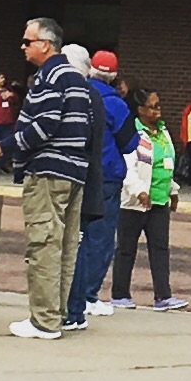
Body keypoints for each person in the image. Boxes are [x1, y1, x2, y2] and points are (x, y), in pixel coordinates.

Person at [8, 18, 94, 340]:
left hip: (47, 171)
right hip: (74, 172)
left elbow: (44, 124)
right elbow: (86, 125)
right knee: (65, 247)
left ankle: (43, 321)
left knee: (44, 245)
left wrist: (5, 146)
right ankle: (56, 315)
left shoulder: (48, 77)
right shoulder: (76, 78)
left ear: (45, 44)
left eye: (27, 41)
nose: (23, 47)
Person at [68, 50, 133, 329]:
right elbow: (129, 143)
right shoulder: (115, 104)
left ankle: (70, 294)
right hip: (106, 175)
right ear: (114, 76)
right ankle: (89, 294)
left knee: (75, 236)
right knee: (100, 238)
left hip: (74, 171)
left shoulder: (76, 94)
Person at [108, 89, 186, 310]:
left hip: (159, 201)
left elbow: (166, 164)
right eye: (153, 106)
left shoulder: (163, 132)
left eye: (158, 105)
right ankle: (120, 294)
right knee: (126, 248)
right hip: (134, 202)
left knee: (160, 249)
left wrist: (173, 190)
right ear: (140, 110)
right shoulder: (132, 132)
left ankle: (163, 296)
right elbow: (128, 167)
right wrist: (139, 191)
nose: (157, 110)